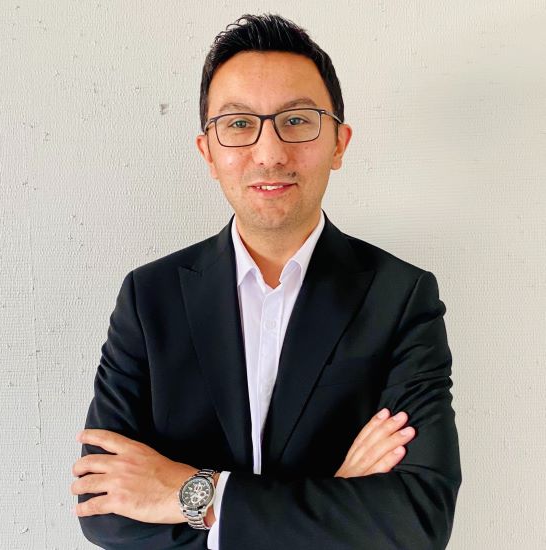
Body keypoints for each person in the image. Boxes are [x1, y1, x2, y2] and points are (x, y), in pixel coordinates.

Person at [71, 13, 461, 550]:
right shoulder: (149, 298)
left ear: (339, 143)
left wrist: (194, 493)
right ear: (208, 151)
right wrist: (336, 498)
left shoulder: (400, 298)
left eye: (297, 120)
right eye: (238, 124)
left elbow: (417, 520)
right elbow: (102, 509)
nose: (271, 152)